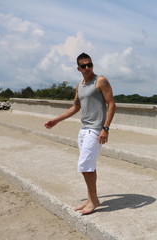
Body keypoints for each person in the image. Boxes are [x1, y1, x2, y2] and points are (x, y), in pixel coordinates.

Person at [44, 53, 116, 214]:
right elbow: (76, 107)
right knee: (88, 166)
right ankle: (91, 199)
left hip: (95, 129)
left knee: (84, 165)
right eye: (83, 66)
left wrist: (105, 128)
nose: (87, 68)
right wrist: (56, 120)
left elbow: (111, 104)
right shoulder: (79, 85)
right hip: (83, 129)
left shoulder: (101, 81)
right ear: (78, 68)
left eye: (90, 64)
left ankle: (94, 200)